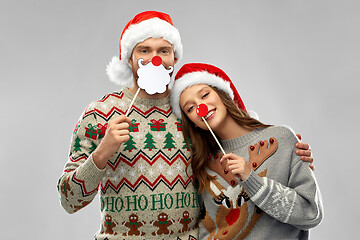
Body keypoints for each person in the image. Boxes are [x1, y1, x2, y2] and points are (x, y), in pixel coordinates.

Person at [57, 11, 315, 240]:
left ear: (174, 58)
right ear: (129, 58)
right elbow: (69, 200)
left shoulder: (189, 112)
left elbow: (235, 144)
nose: (155, 58)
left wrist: (288, 152)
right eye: (144, 50)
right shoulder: (99, 114)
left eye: (163, 51)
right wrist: (102, 154)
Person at [170, 63, 323, 240]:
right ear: (191, 122)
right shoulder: (201, 166)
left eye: (205, 95)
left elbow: (310, 213)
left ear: (223, 93)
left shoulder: (281, 139)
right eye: (190, 108)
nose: (200, 108)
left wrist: (251, 179)